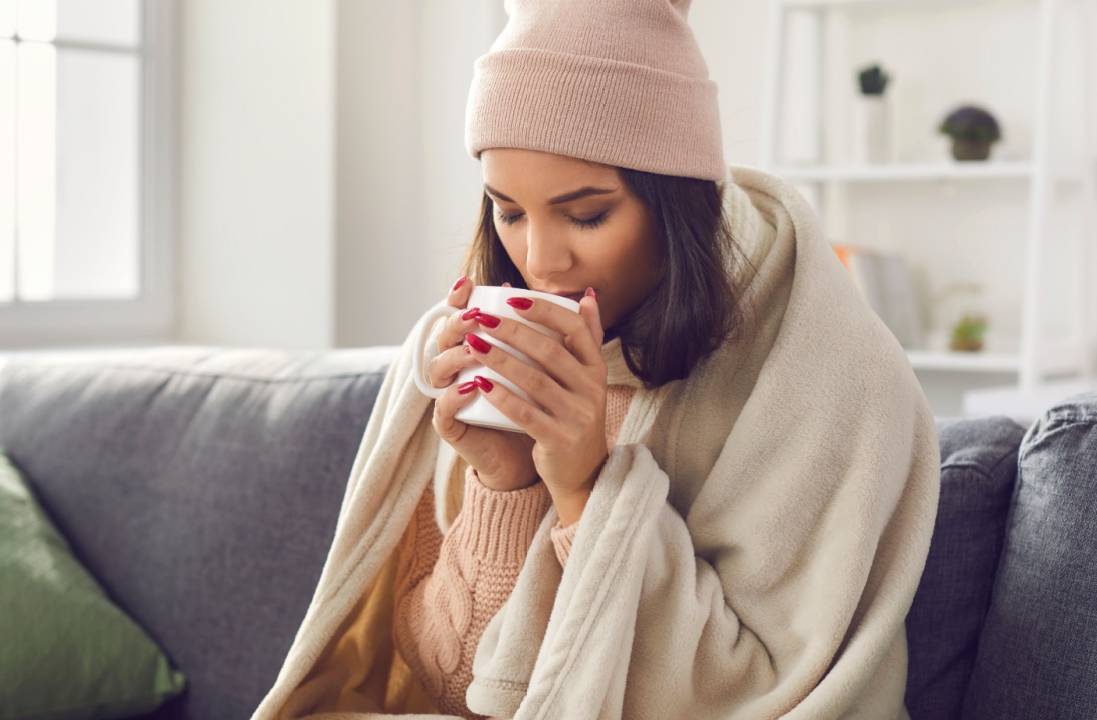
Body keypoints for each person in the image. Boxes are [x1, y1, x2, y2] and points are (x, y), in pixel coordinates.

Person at [253, 1, 940, 719]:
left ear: (677, 202)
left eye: (586, 215)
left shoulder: (825, 371)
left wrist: (587, 489)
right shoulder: (472, 351)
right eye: (508, 212)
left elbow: (755, 693)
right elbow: (452, 691)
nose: (540, 262)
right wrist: (505, 486)